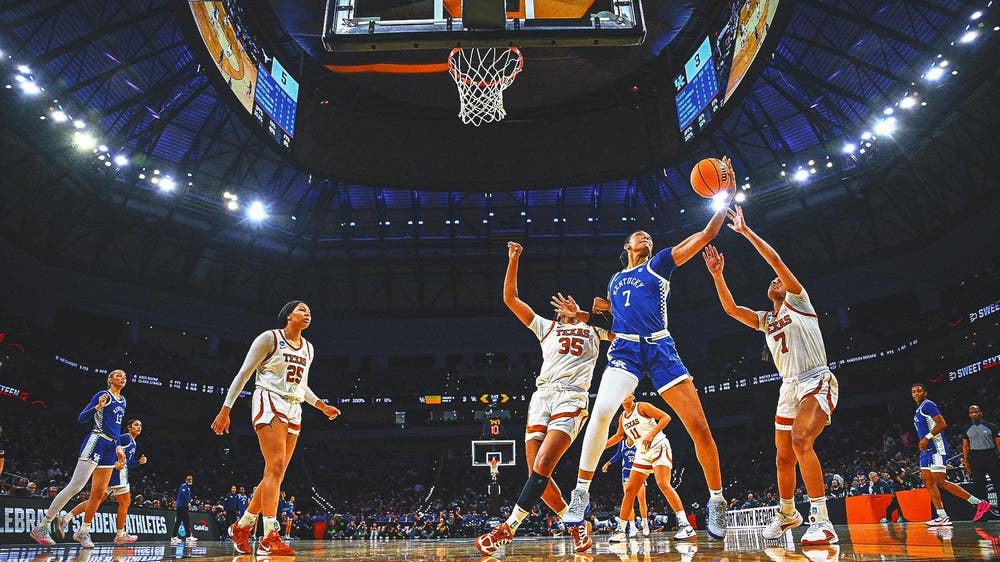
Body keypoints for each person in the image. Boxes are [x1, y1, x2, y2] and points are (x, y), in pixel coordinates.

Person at [558, 161, 736, 541]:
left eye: (649, 236)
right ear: (627, 247)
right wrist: (584, 315)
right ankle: (580, 494)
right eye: (640, 236)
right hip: (624, 352)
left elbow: (705, 234)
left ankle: (717, 500)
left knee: (699, 428)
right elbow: (611, 324)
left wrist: (725, 195)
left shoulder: (659, 266)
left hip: (660, 348)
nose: (647, 239)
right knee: (603, 410)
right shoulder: (615, 279)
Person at [701, 205, 838, 545]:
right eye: (773, 282)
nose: (775, 281)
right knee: (782, 457)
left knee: (802, 440)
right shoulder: (766, 319)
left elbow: (776, 261)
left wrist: (746, 232)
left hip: (815, 378)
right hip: (788, 387)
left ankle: (822, 521)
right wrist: (718, 275)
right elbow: (732, 310)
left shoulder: (799, 301)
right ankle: (788, 513)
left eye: (779, 281)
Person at [475, 242, 613, 555]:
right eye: (565, 309)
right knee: (536, 474)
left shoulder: (595, 330)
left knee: (542, 465)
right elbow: (510, 299)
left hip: (572, 398)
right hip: (542, 397)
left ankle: (507, 529)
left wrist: (587, 313)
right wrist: (513, 259)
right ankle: (576, 526)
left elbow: (621, 327)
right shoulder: (546, 327)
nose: (568, 310)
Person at [212, 300, 341, 556]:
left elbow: (300, 386)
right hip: (269, 399)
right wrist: (226, 409)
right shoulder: (269, 338)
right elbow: (244, 374)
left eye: (309, 311)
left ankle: (242, 526)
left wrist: (320, 405)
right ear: (288, 315)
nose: (308, 313)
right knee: (276, 467)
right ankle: (270, 535)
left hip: (294, 407)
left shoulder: (309, 348)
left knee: (276, 473)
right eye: (302, 309)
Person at [30, 370, 128, 548]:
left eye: (125, 376)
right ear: (110, 379)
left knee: (98, 494)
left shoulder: (123, 400)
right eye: (119, 375)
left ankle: (83, 531)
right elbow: (82, 418)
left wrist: (119, 448)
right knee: (76, 486)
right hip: (97, 440)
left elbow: (116, 426)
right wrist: (97, 407)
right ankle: (42, 526)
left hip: (111, 447)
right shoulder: (103, 395)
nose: (123, 378)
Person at [605, 394, 695, 543]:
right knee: (629, 491)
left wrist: (651, 434)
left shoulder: (642, 406)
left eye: (626, 392)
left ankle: (686, 525)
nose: (623, 395)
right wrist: (600, 447)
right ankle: (621, 531)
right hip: (642, 452)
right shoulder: (622, 417)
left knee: (663, 483)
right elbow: (619, 436)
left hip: (658, 445)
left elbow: (666, 417)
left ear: (632, 396)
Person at [910, 383, 991, 525]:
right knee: (928, 482)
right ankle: (942, 516)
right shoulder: (918, 409)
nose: (916, 393)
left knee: (940, 481)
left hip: (936, 447)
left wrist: (926, 438)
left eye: (919, 391)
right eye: (913, 392)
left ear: (925, 393)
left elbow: (942, 424)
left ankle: (979, 503)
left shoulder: (928, 405)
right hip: (926, 451)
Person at [61, 419, 147, 544]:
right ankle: (120, 534)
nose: (139, 427)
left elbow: (127, 463)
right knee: (125, 502)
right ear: (129, 427)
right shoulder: (126, 438)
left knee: (96, 500)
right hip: (116, 474)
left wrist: (139, 462)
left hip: (117, 472)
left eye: (140, 425)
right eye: (136, 425)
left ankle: (66, 518)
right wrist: (113, 463)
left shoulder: (133, 442)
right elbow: (111, 446)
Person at [602, 437, 649, 537]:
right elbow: (618, 455)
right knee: (629, 500)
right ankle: (632, 526)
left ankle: (645, 523)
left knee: (642, 501)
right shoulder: (622, 443)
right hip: (627, 473)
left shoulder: (638, 442)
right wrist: (608, 463)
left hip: (638, 472)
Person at [962, 405, 1000, 514]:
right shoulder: (967, 428)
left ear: (980, 413)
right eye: (971, 412)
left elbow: (998, 442)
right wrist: (966, 461)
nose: (974, 414)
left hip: (991, 455)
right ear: (969, 415)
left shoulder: (991, 426)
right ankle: (984, 512)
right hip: (975, 457)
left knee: (998, 482)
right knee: (979, 486)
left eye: (976, 412)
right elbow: (965, 446)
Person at [170, 475, 196, 545]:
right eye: (190, 479)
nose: (191, 481)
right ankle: (174, 536)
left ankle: (188, 536)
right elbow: (183, 495)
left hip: (184, 506)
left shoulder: (187, 487)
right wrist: (189, 500)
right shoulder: (184, 486)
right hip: (181, 506)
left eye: (191, 479)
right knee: (179, 521)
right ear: (187, 480)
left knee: (186, 521)